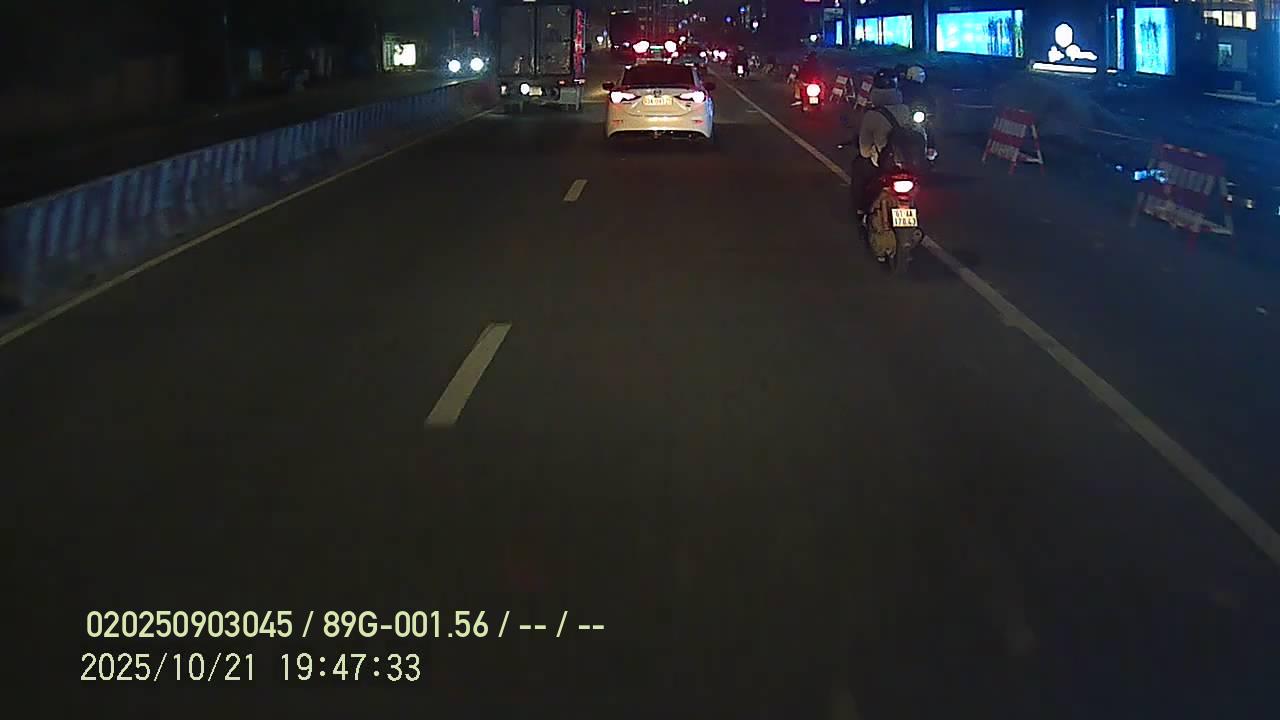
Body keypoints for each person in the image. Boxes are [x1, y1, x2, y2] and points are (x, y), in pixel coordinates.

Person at [846, 69, 926, 257]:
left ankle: (860, 210)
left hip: (884, 166)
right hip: (909, 167)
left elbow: (865, 151)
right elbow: (922, 136)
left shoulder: (872, 115)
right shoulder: (905, 110)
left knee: (858, 167)